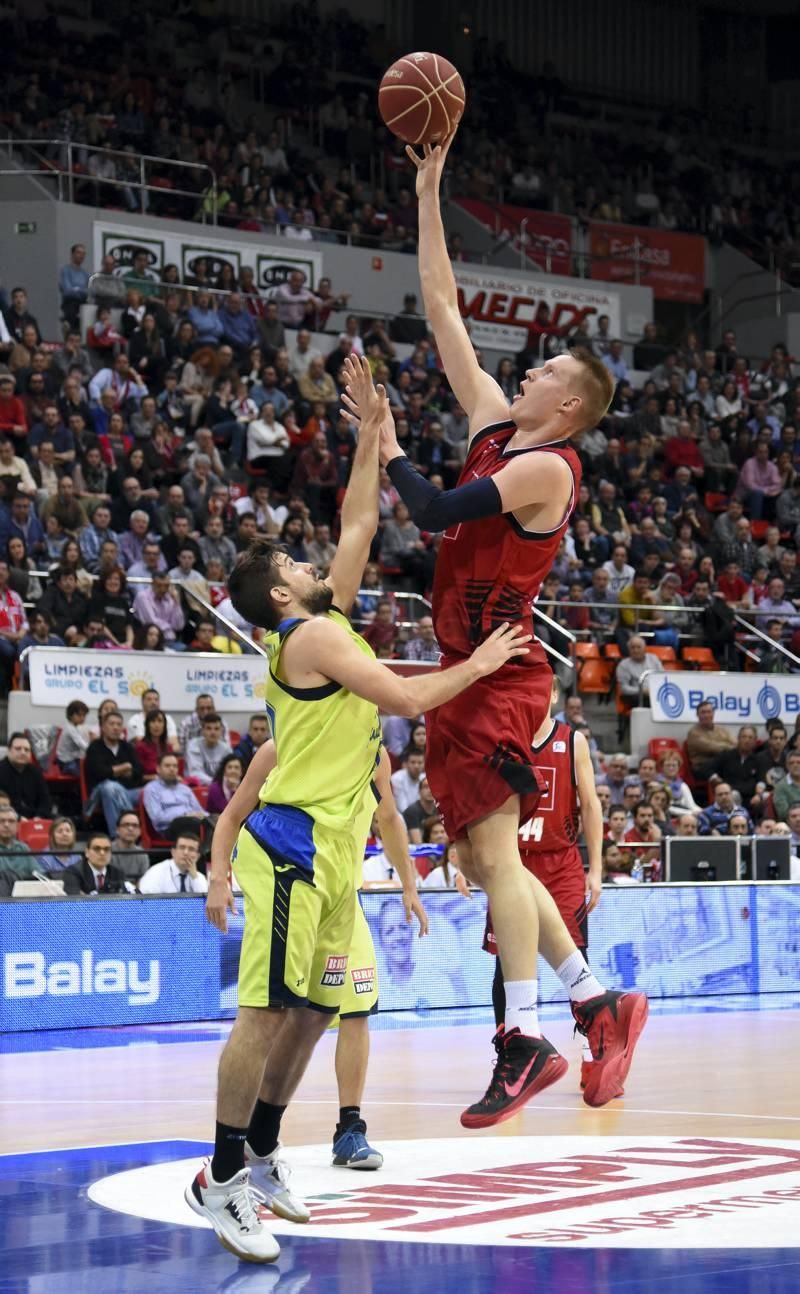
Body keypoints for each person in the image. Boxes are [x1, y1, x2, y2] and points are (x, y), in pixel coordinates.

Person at [185, 356, 526, 1262]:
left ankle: (260, 1155)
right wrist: (481, 667)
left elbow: (361, 517)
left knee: (313, 1014)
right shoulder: (316, 639)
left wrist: (373, 432)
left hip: (338, 846)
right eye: (297, 563)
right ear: (286, 597)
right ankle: (216, 1179)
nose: (312, 559)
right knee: (263, 1015)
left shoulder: (312, 618)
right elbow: (411, 701)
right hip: (294, 842)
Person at [355, 136, 647, 1128]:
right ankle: (592, 1002)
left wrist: (389, 450)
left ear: (566, 404)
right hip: (465, 664)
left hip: (496, 670)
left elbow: (432, 511)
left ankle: (523, 1036)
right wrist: (427, 189)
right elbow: (441, 309)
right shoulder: (495, 421)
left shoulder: (545, 468)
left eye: (545, 369)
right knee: (491, 863)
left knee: (495, 855)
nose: (522, 372)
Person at [485, 678, 608, 1103]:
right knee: (506, 965)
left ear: (553, 694)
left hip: (561, 863)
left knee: (578, 963)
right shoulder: (503, 739)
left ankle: (596, 1055)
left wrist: (596, 868)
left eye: (544, 689)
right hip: (513, 862)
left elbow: (590, 804)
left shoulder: (572, 741)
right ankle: (512, 1055)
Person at [84, 710, 143, 834]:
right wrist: (124, 768)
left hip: (128, 791)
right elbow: (99, 773)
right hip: (101, 792)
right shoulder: (95, 747)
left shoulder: (127, 747)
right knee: (110, 788)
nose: (116, 727)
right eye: (111, 724)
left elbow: (138, 772)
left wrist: (115, 771)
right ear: (103, 728)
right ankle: (119, 836)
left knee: (151, 791)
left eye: (119, 724)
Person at [142, 752, 207, 838]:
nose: (172, 769)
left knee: (216, 821)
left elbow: (199, 810)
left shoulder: (185, 789)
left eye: (175, 766)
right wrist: (185, 815)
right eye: (167, 766)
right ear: (158, 769)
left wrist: (209, 816)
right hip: (169, 827)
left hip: (192, 822)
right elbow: (157, 818)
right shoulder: (151, 789)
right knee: (191, 822)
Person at [0, 732, 52, 819]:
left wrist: (39, 817)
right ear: (9, 751)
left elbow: (45, 800)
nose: (23, 752)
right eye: (18, 749)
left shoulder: (36, 772)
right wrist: (19, 818)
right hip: (7, 820)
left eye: (26, 750)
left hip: (35, 821)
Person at [139, 832, 208, 894]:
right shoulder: (157, 872)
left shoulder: (199, 877)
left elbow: (205, 902)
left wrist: (194, 877)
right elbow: (146, 899)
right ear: (173, 852)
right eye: (182, 847)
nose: (186, 853)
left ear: (198, 856)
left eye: (191, 849)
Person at [63, 833, 129, 894]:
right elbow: (75, 899)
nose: (102, 853)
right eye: (97, 849)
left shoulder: (118, 872)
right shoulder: (73, 872)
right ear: (87, 852)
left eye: (106, 849)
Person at [685, 700, 736, 780]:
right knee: (725, 756)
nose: (706, 715)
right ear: (697, 715)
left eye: (709, 712)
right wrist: (727, 746)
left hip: (720, 765)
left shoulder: (722, 730)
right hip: (702, 768)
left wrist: (731, 748)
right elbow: (713, 748)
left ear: (713, 713)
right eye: (703, 712)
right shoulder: (693, 733)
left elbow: (736, 744)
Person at [185, 712, 233, 785]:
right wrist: (216, 784)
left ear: (221, 731)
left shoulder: (226, 749)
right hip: (198, 786)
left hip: (220, 787)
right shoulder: (194, 745)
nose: (213, 732)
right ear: (203, 731)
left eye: (216, 729)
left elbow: (231, 772)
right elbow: (195, 774)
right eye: (208, 728)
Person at [616, 634, 665, 704]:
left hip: (656, 691)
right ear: (629, 650)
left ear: (645, 648)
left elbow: (663, 677)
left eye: (639, 647)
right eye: (632, 648)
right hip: (637, 695)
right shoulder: (623, 665)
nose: (636, 650)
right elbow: (624, 688)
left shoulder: (654, 659)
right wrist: (642, 691)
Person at [111, 810, 150, 883]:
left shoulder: (142, 854)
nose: (130, 829)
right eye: (126, 825)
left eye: (135, 826)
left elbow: (144, 882)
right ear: (117, 830)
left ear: (140, 831)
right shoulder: (107, 850)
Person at [54, 699, 91, 774]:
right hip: (65, 761)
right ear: (70, 715)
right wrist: (93, 749)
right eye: (79, 715)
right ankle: (65, 770)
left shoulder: (75, 727)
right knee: (82, 773)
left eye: (84, 715)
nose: (82, 718)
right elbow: (81, 744)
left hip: (73, 758)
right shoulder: (70, 729)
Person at [0, 805, 35, 877]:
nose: (6, 825)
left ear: (17, 826)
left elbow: (39, 874)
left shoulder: (23, 848)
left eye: (11, 821)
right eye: (2, 821)